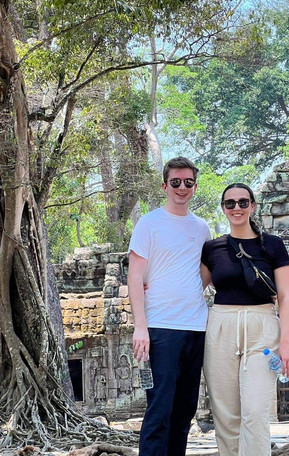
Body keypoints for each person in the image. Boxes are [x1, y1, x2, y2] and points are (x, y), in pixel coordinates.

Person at [200, 183, 289, 456]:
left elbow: (286, 297)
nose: (237, 208)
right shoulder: (212, 249)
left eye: (243, 202)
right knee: (226, 416)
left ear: (252, 206)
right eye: (230, 203)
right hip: (221, 327)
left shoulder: (273, 246)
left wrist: (287, 343)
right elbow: (193, 288)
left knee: (254, 412)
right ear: (223, 209)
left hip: (263, 329)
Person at [127, 156, 212, 456]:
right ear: (165, 185)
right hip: (161, 327)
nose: (182, 187)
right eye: (175, 182)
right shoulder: (149, 224)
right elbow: (135, 276)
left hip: (196, 327)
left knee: (185, 409)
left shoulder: (202, 228)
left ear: (195, 186)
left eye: (188, 182)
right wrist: (141, 327)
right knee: (160, 407)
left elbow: (203, 273)